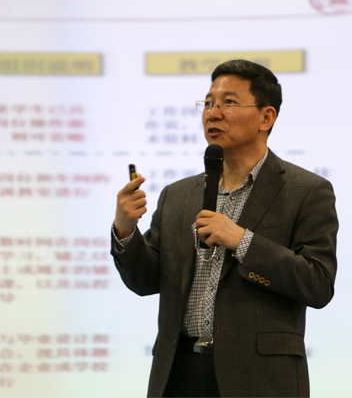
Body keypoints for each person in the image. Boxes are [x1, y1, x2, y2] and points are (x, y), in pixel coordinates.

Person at [111, 59, 338, 397]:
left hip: (259, 378)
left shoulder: (306, 190)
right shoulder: (178, 195)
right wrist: (125, 230)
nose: (213, 113)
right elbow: (145, 281)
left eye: (228, 103)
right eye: (208, 103)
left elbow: (318, 284)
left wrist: (243, 241)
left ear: (266, 118)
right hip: (179, 373)